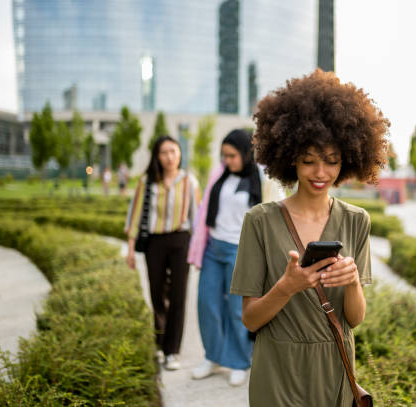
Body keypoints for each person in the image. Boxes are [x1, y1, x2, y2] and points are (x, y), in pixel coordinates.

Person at [230, 69, 390, 406]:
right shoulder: (259, 221)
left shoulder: (357, 220)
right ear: (290, 158)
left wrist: (353, 282)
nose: (321, 173)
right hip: (277, 370)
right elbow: (250, 318)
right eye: (309, 161)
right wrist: (287, 286)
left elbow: (355, 320)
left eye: (331, 161)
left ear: (347, 159)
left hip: (335, 368)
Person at [187, 129, 284, 387]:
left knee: (236, 309)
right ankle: (213, 356)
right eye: (224, 155)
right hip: (213, 248)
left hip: (240, 251)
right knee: (206, 303)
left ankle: (240, 360)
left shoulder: (261, 179)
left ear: (246, 153)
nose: (227, 160)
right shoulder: (220, 174)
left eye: (232, 155)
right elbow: (206, 209)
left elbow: (275, 214)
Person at [124, 135, 200, 371]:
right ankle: (159, 342)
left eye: (174, 151)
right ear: (157, 156)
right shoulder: (146, 182)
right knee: (157, 293)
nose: (170, 157)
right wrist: (129, 248)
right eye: (164, 152)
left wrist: (198, 250)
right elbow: (134, 214)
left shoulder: (189, 181)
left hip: (180, 241)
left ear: (180, 154)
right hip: (154, 242)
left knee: (178, 296)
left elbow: (196, 218)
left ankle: (172, 351)